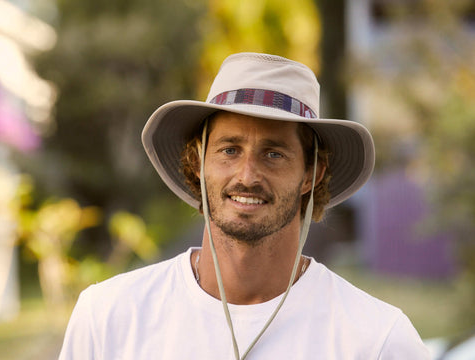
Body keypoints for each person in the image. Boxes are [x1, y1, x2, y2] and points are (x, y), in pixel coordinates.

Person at [58, 52, 430, 359]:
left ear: (311, 174)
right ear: (198, 161)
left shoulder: (377, 340)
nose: (247, 175)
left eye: (273, 153)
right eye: (229, 150)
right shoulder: (109, 318)